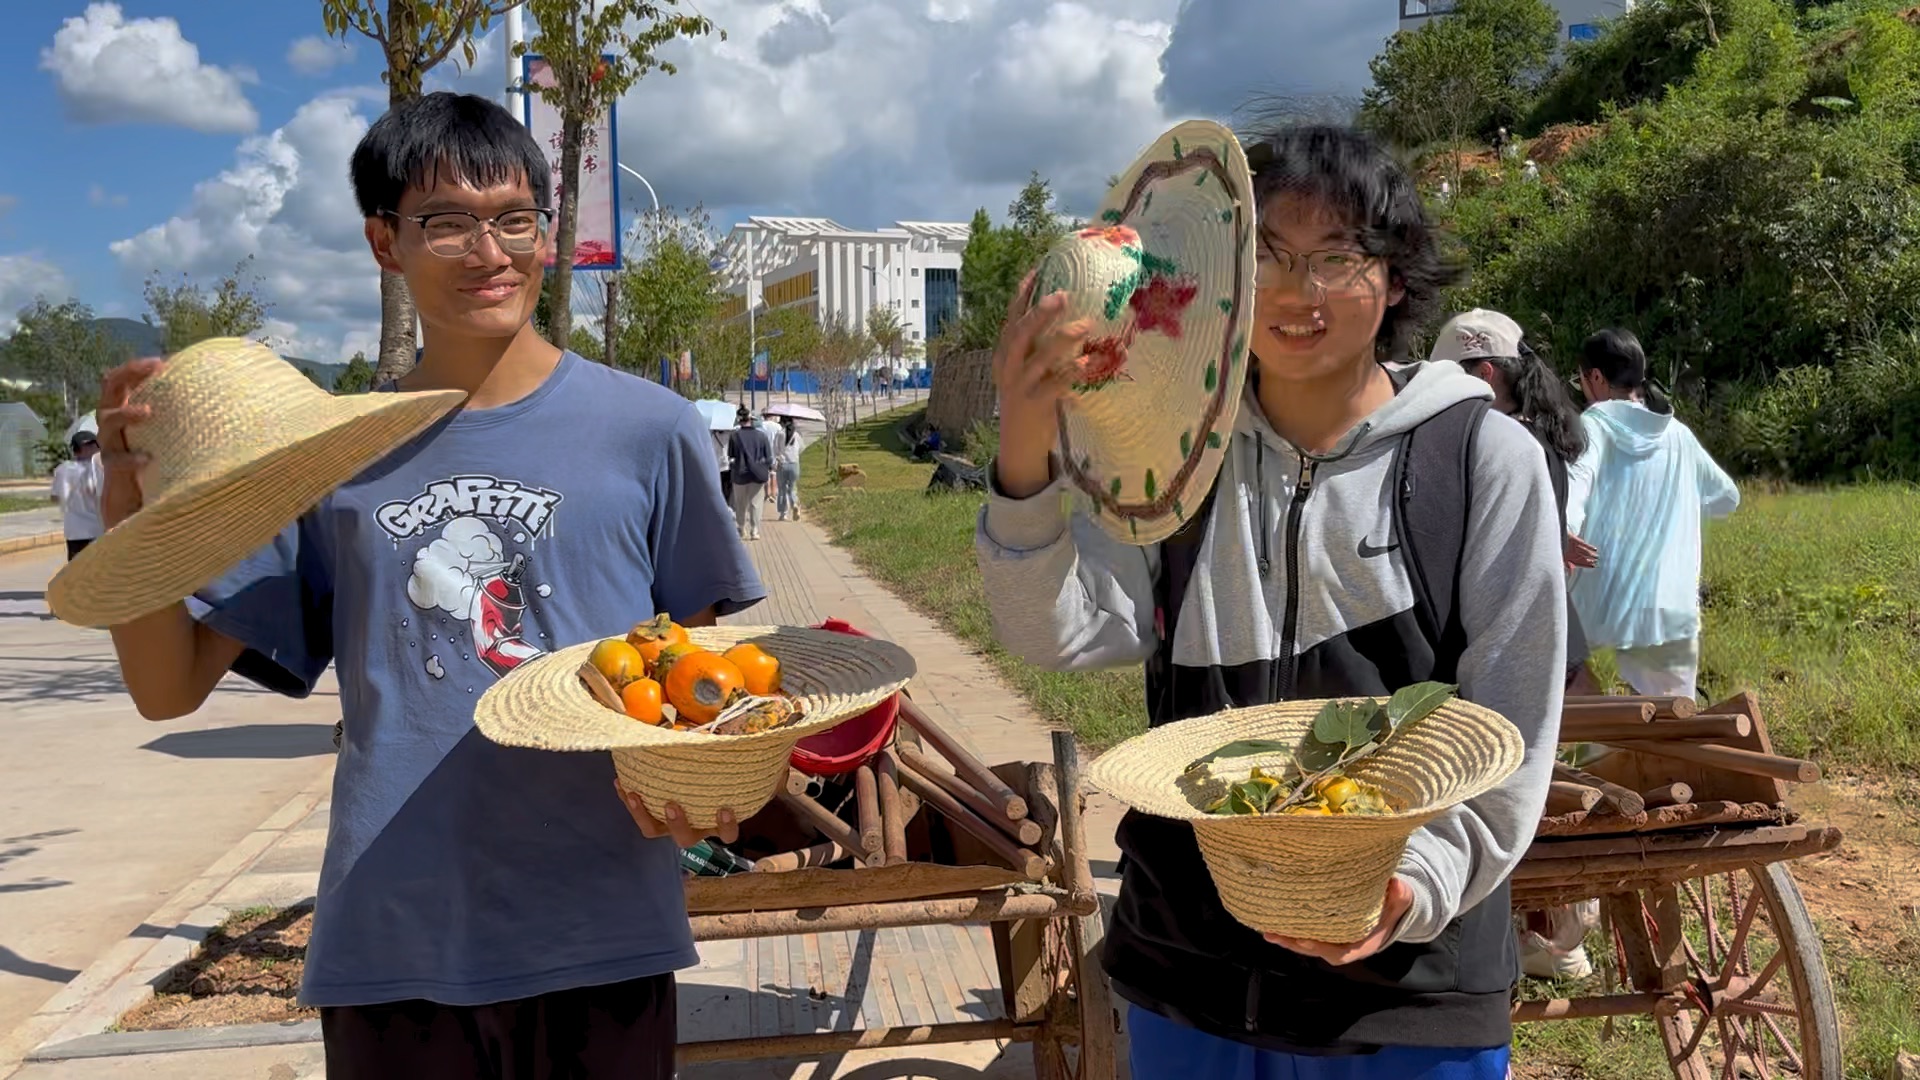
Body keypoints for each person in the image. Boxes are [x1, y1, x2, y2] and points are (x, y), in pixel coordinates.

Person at [89, 91, 763, 1078]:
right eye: (444, 222)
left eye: (512, 218)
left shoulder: (650, 431)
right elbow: (167, 687)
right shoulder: (327, 459)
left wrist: (710, 795)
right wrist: (130, 508)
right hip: (392, 938)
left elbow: (697, 691)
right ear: (384, 243)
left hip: (601, 924)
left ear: (548, 234)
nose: (486, 253)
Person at [977, 124, 1565, 1078]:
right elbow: (1047, 630)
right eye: (1271, 258)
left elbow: (1513, 716)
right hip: (1189, 978)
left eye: (1338, 258)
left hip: (1409, 995)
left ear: (1397, 279)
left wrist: (1415, 883)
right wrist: (1026, 432)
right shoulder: (1171, 457)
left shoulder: (1478, 459)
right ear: (1229, 282)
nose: (1299, 293)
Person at [1432, 309, 1604, 982]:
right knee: (1547, 776)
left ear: (1479, 374)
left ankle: (1522, 930)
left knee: (1494, 780)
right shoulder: (1553, 439)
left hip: (1498, 631)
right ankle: (1558, 926)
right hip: (1554, 627)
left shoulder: (1487, 439)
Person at [1567, 327, 1739, 701]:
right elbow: (1728, 497)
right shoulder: (1678, 434)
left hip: (1603, 594)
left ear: (1595, 377)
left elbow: (1573, 489)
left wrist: (1563, 534)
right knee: (1672, 716)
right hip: (1670, 598)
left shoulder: (1593, 426)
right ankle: (1645, 754)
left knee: (1559, 663)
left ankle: (1602, 749)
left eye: (1579, 378)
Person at [50, 430, 104, 560]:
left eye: (94, 444)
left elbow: (55, 498)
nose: (94, 448)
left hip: (77, 531)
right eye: (90, 445)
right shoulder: (99, 468)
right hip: (95, 530)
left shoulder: (63, 469)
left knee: (79, 574)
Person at [728, 405, 773, 541]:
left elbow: (731, 456)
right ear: (751, 420)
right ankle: (755, 530)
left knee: (740, 503)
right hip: (757, 474)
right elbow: (769, 457)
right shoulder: (762, 436)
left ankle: (741, 527)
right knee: (756, 503)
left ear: (739, 421)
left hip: (740, 474)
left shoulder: (734, 437)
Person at [775, 415, 804, 522]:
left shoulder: (780, 434)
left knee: (782, 489)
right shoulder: (797, 434)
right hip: (794, 464)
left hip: (782, 464)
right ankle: (795, 504)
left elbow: (775, 450)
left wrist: (780, 456)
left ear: (782, 422)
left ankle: (784, 513)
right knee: (793, 488)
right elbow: (801, 448)